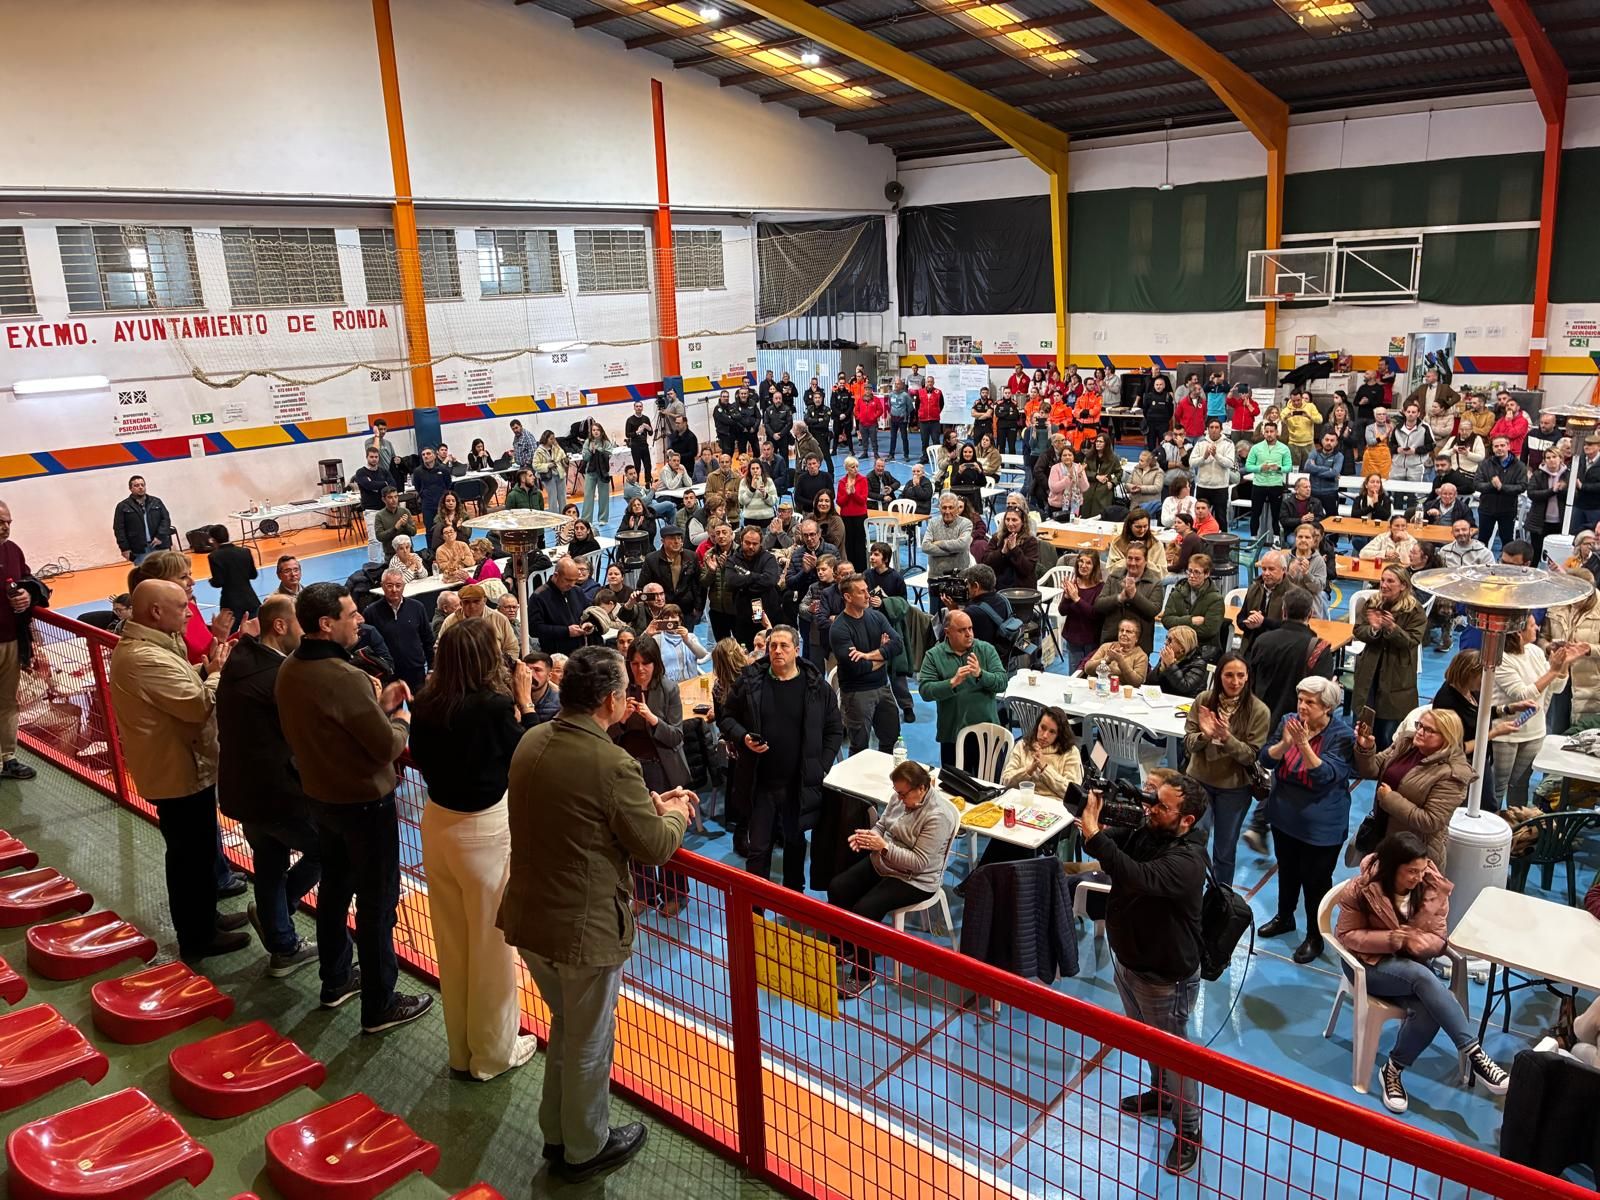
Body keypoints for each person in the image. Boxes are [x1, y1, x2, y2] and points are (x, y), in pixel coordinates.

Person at [500, 646, 694, 1181]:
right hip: (582, 929)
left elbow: (576, 812)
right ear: (611, 700)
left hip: (530, 915)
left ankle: (559, 1134)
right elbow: (654, 846)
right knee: (589, 1039)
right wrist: (676, 813)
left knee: (567, 1026)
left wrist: (645, 806)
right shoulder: (612, 763)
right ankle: (585, 1147)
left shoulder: (532, 740)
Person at [275, 582, 434, 1033]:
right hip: (364, 804)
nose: (360, 619)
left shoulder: (290, 668)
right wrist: (400, 717)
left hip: (322, 797)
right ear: (326, 624)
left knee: (335, 890)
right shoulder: (343, 677)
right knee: (378, 903)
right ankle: (380, 1004)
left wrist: (374, 705)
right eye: (351, 614)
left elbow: (334, 721)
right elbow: (385, 746)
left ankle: (337, 979)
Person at [406, 621, 541, 1081]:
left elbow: (419, 755)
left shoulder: (426, 702)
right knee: (492, 946)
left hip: (437, 824)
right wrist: (526, 704)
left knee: (452, 941)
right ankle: (494, 1053)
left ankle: (461, 1050)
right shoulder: (494, 707)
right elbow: (530, 758)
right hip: (483, 831)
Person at [1078, 767, 1209, 1176]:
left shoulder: (1188, 860)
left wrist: (1094, 833)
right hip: (1131, 962)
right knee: (1149, 1043)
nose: (1151, 809)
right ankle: (1161, 1095)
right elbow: (1104, 848)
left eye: (1161, 806)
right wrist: (1093, 816)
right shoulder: (1147, 830)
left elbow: (1137, 875)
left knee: (1175, 1055)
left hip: (1165, 976)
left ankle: (1189, 1130)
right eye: (1151, 800)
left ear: (1186, 820)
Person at [108, 579, 245, 960]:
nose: (189, 613)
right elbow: (197, 706)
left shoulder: (155, 646)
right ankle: (198, 938)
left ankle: (207, 919)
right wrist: (217, 673)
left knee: (198, 853)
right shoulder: (144, 657)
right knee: (189, 858)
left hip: (182, 764)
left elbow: (179, 690)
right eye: (183, 606)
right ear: (156, 612)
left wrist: (204, 672)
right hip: (175, 772)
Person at [1335, 831, 1511, 1113]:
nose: (1418, 877)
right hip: (1368, 964)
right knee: (1422, 977)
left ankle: (1393, 1069)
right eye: (1411, 872)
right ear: (1392, 867)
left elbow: (1439, 938)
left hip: (1412, 966)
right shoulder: (1361, 888)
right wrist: (1393, 939)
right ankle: (1476, 1055)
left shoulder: (1432, 888)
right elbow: (1346, 935)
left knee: (1428, 1009)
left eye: (1422, 869)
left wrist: (1420, 943)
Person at [216, 596, 321, 974]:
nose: (304, 632)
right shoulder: (279, 677)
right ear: (280, 626)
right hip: (278, 793)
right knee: (332, 849)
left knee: (269, 861)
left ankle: (283, 944)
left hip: (243, 789)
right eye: (299, 624)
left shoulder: (241, 660)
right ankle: (276, 918)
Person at [719, 625, 843, 887]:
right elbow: (727, 717)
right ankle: (756, 905)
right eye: (772, 646)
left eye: (784, 646)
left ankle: (792, 899)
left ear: (796, 650)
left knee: (795, 846)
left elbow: (834, 729)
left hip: (798, 784)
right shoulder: (750, 682)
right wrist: (743, 738)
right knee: (758, 849)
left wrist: (821, 765)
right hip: (760, 783)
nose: (777, 651)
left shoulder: (816, 687)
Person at [829, 760, 958, 998]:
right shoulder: (899, 798)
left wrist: (884, 847)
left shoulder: (938, 816)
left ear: (922, 788)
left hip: (915, 879)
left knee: (865, 910)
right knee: (838, 888)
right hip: (885, 863)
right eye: (896, 792)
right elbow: (881, 825)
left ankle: (864, 974)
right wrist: (869, 838)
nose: (898, 798)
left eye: (903, 794)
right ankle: (846, 946)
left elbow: (919, 862)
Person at [1259, 676, 1355, 964]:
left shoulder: (1342, 736)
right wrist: (1284, 744)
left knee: (1315, 882)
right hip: (1284, 816)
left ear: (1327, 707)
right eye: (1300, 699)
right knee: (1287, 871)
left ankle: (1316, 935)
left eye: (1310, 702)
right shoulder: (1289, 721)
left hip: (1321, 825)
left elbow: (1325, 775)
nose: (1302, 706)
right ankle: (1284, 917)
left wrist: (1303, 745)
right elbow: (1266, 758)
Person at [1182, 653, 1270, 888]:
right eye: (1229, 675)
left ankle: (1221, 898)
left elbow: (1250, 756)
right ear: (1219, 675)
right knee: (1193, 844)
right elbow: (1188, 742)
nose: (1235, 681)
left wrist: (1226, 738)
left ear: (1248, 677)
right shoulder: (1203, 700)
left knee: (1224, 850)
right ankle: (1189, 892)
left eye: (1241, 675)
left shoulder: (1259, 711)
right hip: (1199, 783)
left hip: (1234, 789)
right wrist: (1205, 736)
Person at [1353, 709, 1469, 869]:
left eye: (1429, 730)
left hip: (1414, 855)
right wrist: (1366, 748)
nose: (1419, 732)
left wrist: (1389, 799)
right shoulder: (1406, 744)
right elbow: (1373, 769)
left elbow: (1431, 821)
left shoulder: (1452, 774)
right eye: (1419, 725)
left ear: (1447, 737)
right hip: (1382, 837)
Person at [1491, 616, 1578, 810]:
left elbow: (1555, 687)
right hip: (1506, 733)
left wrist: (1564, 665)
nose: (1537, 628)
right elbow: (1523, 694)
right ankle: (1491, 824)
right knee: (1497, 786)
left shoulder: (1535, 652)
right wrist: (1553, 671)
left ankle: (1517, 824)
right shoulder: (1501, 658)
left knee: (1520, 785)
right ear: (1518, 631)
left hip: (1534, 732)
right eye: (1532, 625)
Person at [918, 609, 1006, 770]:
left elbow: (1002, 682)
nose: (968, 634)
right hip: (952, 736)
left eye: (970, 628)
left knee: (991, 782)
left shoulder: (986, 649)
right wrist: (951, 683)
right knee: (953, 784)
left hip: (987, 735)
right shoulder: (933, 656)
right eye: (961, 630)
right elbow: (925, 690)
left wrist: (981, 674)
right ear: (947, 633)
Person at [1352, 566, 1427, 750]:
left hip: (1397, 676)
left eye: (1390, 581)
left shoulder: (1414, 610)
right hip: (1370, 672)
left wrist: (1393, 629)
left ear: (1403, 585)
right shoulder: (1373, 603)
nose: (1384, 585)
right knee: (1362, 728)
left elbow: (1412, 641)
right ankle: (1363, 760)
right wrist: (1374, 629)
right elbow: (1358, 630)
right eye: (1382, 580)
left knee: (1389, 736)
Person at [831, 576, 903, 756]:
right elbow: (858, 667)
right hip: (857, 693)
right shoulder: (839, 629)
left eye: (867, 590)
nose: (868, 595)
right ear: (848, 597)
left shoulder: (876, 616)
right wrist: (883, 655)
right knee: (859, 747)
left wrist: (868, 655)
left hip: (883, 687)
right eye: (861, 592)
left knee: (891, 739)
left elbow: (897, 644)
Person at [362, 570, 434, 692]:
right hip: (388, 674)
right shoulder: (370, 613)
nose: (394, 590)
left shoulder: (417, 607)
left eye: (398, 585)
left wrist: (431, 669)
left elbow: (428, 640)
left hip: (415, 671)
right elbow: (367, 648)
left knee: (420, 704)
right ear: (382, 586)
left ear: (404, 586)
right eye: (389, 585)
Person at [999, 707, 1083, 799]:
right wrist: (1029, 770)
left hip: (1053, 804)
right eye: (1043, 728)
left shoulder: (1070, 752)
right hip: (1022, 800)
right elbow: (1006, 781)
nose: (1045, 735)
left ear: (1059, 734)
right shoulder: (1023, 746)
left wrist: (1044, 768)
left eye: (1052, 732)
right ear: (1037, 726)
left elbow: (1072, 794)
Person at [1093, 544, 1161, 652]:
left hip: (1140, 645)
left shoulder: (1155, 583)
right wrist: (1120, 597)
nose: (1133, 563)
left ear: (1146, 561)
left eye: (1137, 559)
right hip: (1111, 640)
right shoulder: (1114, 576)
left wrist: (1134, 595)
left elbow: (1154, 610)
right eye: (1129, 558)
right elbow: (1098, 604)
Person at [1160, 555, 1224, 659]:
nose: (1192, 576)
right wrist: (1191, 620)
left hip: (1203, 652)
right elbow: (1166, 620)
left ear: (1207, 574)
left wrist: (1179, 629)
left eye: (1197, 572)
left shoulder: (1216, 599)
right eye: (1189, 571)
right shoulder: (1177, 593)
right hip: (1176, 649)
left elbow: (1209, 630)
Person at [530, 558, 596, 656]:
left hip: (579, 651)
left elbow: (588, 612)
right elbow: (534, 629)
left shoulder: (577, 591)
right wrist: (566, 631)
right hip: (555, 654)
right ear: (556, 575)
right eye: (568, 580)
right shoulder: (539, 596)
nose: (572, 584)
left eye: (575, 580)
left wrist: (588, 624)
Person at [1234, 550, 1293, 654]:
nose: (1266, 573)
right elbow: (1240, 618)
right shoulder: (1253, 588)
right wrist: (1247, 624)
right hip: (1250, 646)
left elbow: (1292, 628)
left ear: (1284, 570)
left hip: (1277, 650)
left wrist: (1263, 622)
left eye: (1271, 569)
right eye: (1264, 569)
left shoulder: (1293, 594)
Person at [1475, 434, 1527, 551]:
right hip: (1487, 508)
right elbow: (1477, 484)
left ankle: (1505, 561)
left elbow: (1522, 486)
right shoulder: (1485, 464)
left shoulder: (1519, 466)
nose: (1499, 448)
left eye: (1502, 445)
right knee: (1482, 540)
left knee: (1507, 541)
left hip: (1507, 509)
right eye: (1496, 446)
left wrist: (1502, 487)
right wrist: (1491, 485)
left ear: (1508, 446)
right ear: (1492, 448)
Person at [204, 524, 259, 631]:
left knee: (228, 633)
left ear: (213, 540)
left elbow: (218, 582)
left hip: (230, 602)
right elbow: (253, 575)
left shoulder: (214, 556)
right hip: (250, 599)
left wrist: (211, 581)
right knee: (257, 630)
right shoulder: (245, 551)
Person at [1057, 550, 1105, 673]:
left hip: (1092, 639)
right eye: (1081, 561)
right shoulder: (1074, 584)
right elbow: (1062, 611)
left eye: (1088, 563)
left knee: (1091, 674)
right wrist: (1067, 597)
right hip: (1073, 638)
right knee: (1075, 674)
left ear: (1095, 566)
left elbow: (1095, 614)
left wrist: (1077, 599)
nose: (1083, 565)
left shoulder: (1100, 588)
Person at [1244, 421, 1292, 540]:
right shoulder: (1256, 448)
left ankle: (1276, 538)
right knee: (1255, 513)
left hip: (1276, 485)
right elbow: (1248, 466)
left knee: (1276, 514)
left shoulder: (1284, 448)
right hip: (1259, 485)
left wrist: (1279, 468)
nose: (1269, 434)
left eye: (1271, 431)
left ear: (1276, 433)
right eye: (1267, 432)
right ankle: (1253, 538)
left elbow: (1289, 467)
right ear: (1263, 433)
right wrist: (1260, 468)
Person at [112, 474, 175, 564]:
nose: (140, 487)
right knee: (144, 572)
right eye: (136, 485)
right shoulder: (123, 506)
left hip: (159, 545)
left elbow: (166, 519)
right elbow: (119, 529)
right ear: (130, 488)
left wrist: (160, 536)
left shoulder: (156, 502)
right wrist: (124, 548)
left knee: (165, 571)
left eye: (142, 485)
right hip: (139, 549)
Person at [921, 492, 974, 588]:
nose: (947, 511)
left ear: (957, 509)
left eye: (951, 507)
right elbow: (925, 547)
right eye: (944, 507)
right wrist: (954, 550)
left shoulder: (966, 523)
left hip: (959, 577)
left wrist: (939, 543)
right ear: (939, 508)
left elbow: (962, 545)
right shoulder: (933, 523)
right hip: (936, 577)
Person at [1151, 626, 1207, 698]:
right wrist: (1161, 669)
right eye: (1166, 638)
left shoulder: (1199, 663)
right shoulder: (1167, 657)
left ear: (1182, 646)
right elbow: (1149, 683)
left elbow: (1185, 688)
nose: (1165, 642)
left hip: (1187, 701)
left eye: (1170, 640)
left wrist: (1171, 665)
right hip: (1165, 698)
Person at [579, 420, 616, 525]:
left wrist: (598, 450)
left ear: (601, 431)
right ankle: (586, 520)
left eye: (597, 430)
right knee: (588, 496)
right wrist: (590, 451)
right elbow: (585, 457)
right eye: (593, 430)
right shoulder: (587, 442)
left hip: (602, 472)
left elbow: (609, 454)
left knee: (604, 495)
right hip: (590, 472)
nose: (595, 432)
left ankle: (603, 519)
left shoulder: (606, 442)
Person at [411, 447, 453, 532]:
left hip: (442, 504)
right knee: (430, 529)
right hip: (427, 505)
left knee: (446, 527)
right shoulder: (417, 472)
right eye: (423, 454)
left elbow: (448, 484)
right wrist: (424, 494)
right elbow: (417, 487)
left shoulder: (443, 469)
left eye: (428, 453)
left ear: (434, 456)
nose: (425, 456)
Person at [374, 488, 418, 562]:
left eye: (396, 496)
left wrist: (405, 525)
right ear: (384, 499)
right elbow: (379, 537)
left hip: (408, 552)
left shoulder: (405, 511)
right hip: (391, 554)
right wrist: (395, 528)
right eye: (390, 497)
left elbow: (414, 532)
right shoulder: (379, 516)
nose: (394, 500)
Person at [533, 429, 570, 514]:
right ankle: (555, 517)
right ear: (545, 439)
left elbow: (563, 457)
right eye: (551, 439)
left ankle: (564, 515)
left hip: (560, 474)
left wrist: (566, 460)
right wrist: (548, 466)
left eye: (554, 438)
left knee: (562, 497)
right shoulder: (539, 451)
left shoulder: (556, 447)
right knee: (553, 497)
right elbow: (535, 465)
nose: (553, 440)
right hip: (549, 477)